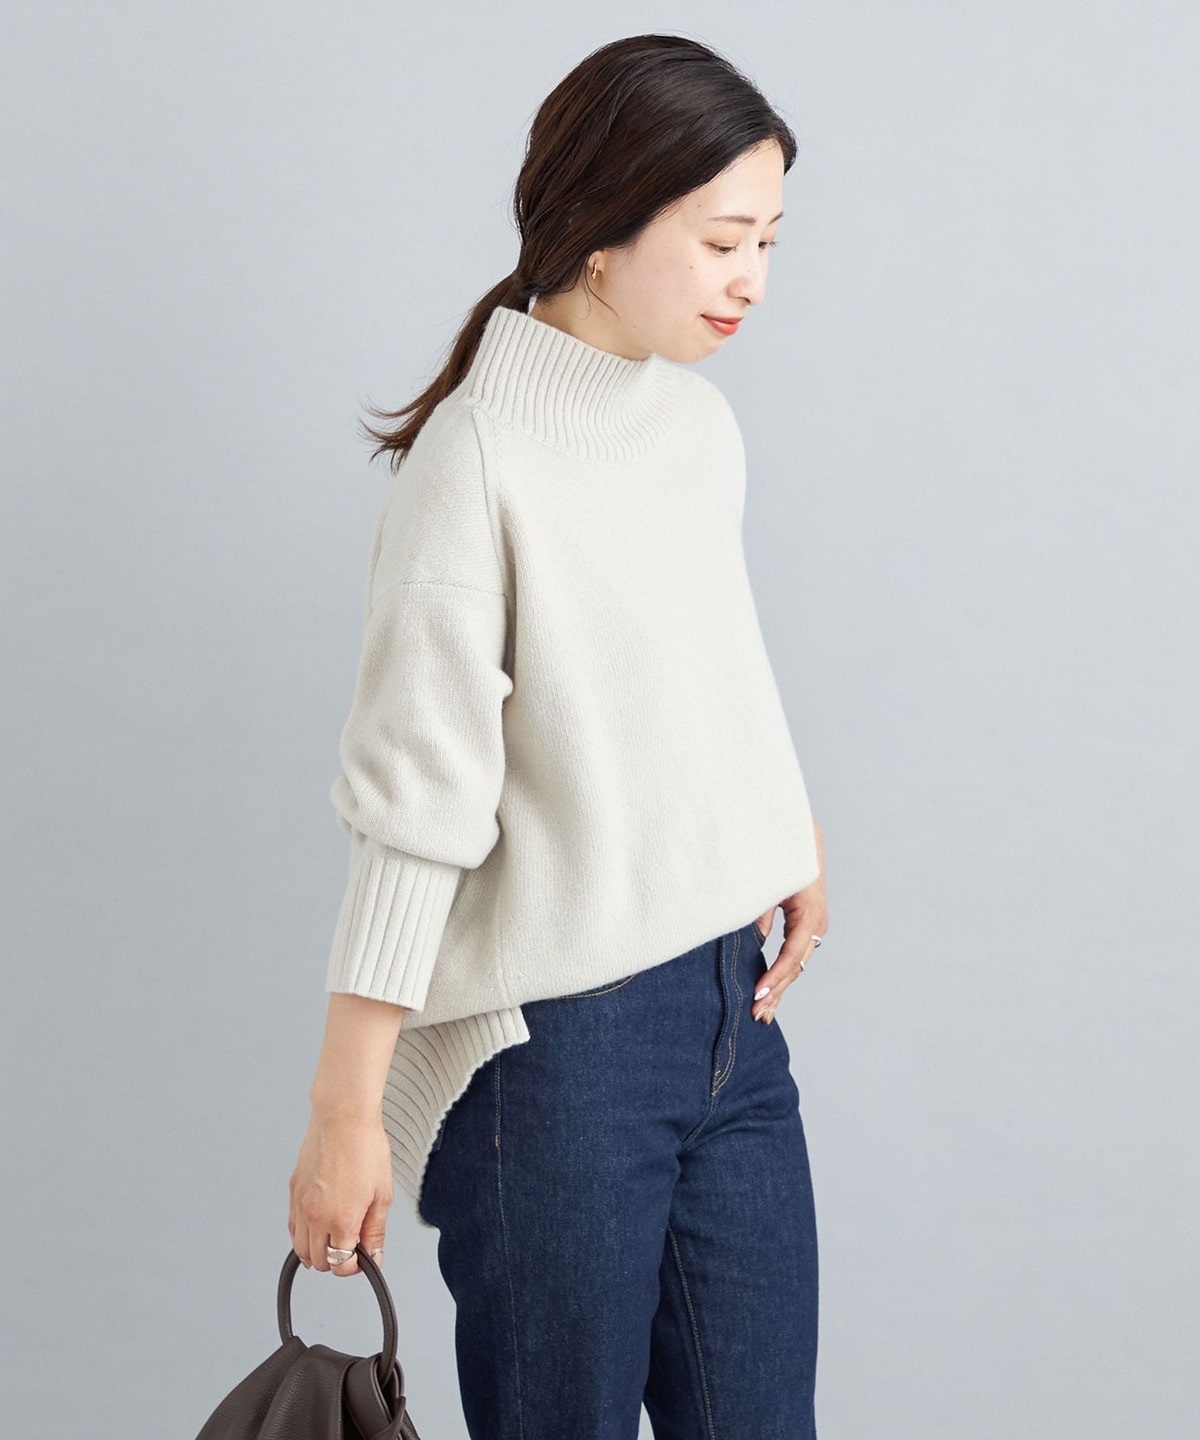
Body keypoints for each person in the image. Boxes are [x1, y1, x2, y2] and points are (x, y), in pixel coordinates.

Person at [288, 32, 830, 1440]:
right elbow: (417, 808)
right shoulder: (476, 461)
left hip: (732, 1022)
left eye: (770, 242)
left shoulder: (696, 428)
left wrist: (786, 835)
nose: (752, 279)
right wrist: (347, 1114)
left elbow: (702, 672)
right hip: (557, 1055)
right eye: (722, 241)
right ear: (601, 227)